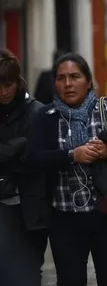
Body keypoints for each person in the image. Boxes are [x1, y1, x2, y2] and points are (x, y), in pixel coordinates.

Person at [26, 53, 107, 285]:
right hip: (64, 218)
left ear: (89, 81)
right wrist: (72, 155)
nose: (68, 84)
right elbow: (32, 159)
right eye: (61, 78)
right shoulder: (46, 117)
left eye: (75, 76)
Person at [0, 49, 47, 286]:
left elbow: (35, 157)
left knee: (28, 273)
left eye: (7, 85)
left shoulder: (35, 111)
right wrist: (19, 144)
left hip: (29, 208)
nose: (3, 92)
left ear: (16, 82)